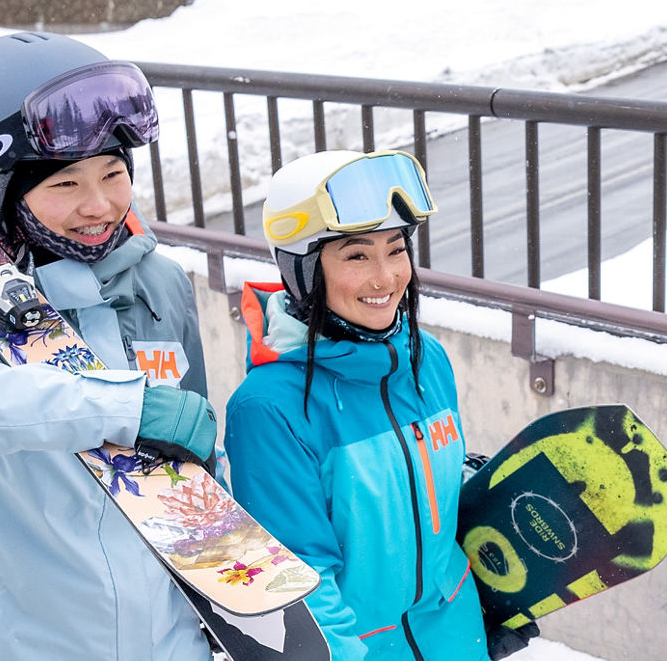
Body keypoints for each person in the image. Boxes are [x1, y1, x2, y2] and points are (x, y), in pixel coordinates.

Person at [0, 31, 219, 660]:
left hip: (167, 635)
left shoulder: (160, 284)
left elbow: (191, 435)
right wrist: (120, 407)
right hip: (28, 634)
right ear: (8, 187)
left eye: (114, 173)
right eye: (65, 184)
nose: (99, 205)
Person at [223, 149, 524, 661]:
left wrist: (489, 604)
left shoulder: (424, 358)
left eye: (396, 249)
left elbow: (438, 512)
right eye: (356, 256)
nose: (386, 278)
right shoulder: (269, 410)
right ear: (302, 271)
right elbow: (301, 583)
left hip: (456, 632)